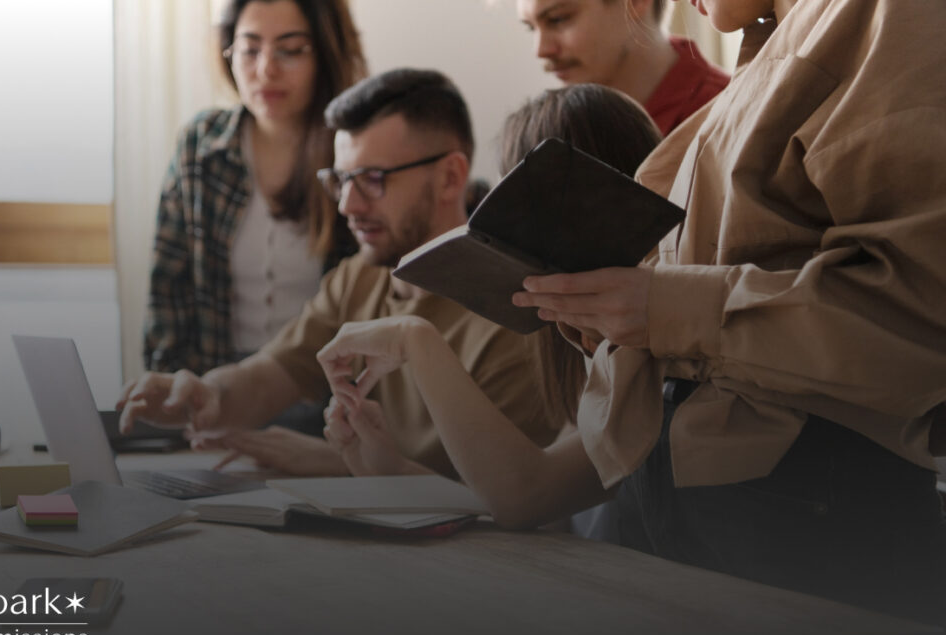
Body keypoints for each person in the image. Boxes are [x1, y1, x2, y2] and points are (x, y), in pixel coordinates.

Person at [322, 0, 946, 626]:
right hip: (723, 536)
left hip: (808, 527)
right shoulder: (765, 58)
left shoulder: (886, 20)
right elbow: (528, 490)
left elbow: (918, 313)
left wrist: (660, 306)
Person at [118, 69, 564, 478]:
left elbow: (510, 497)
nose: (347, 206)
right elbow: (272, 373)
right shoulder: (359, 277)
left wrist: (337, 464)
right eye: (340, 180)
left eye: (371, 179)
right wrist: (204, 394)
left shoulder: (518, 311)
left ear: (450, 178)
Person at [320, 83, 660, 521]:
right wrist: (393, 470)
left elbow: (527, 495)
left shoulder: (652, 352)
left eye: (513, 201)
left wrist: (415, 339)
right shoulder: (583, 346)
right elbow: (509, 502)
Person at [143, 0, 366, 378]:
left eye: (291, 50)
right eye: (249, 50)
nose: (266, 70)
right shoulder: (202, 146)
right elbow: (167, 291)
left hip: (325, 388)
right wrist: (175, 392)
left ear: (326, 54)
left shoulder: (357, 154)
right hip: (212, 386)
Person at [517, 0, 728, 135]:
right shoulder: (558, 131)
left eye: (558, 19)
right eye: (530, 28)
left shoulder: (726, 121)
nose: (541, 50)